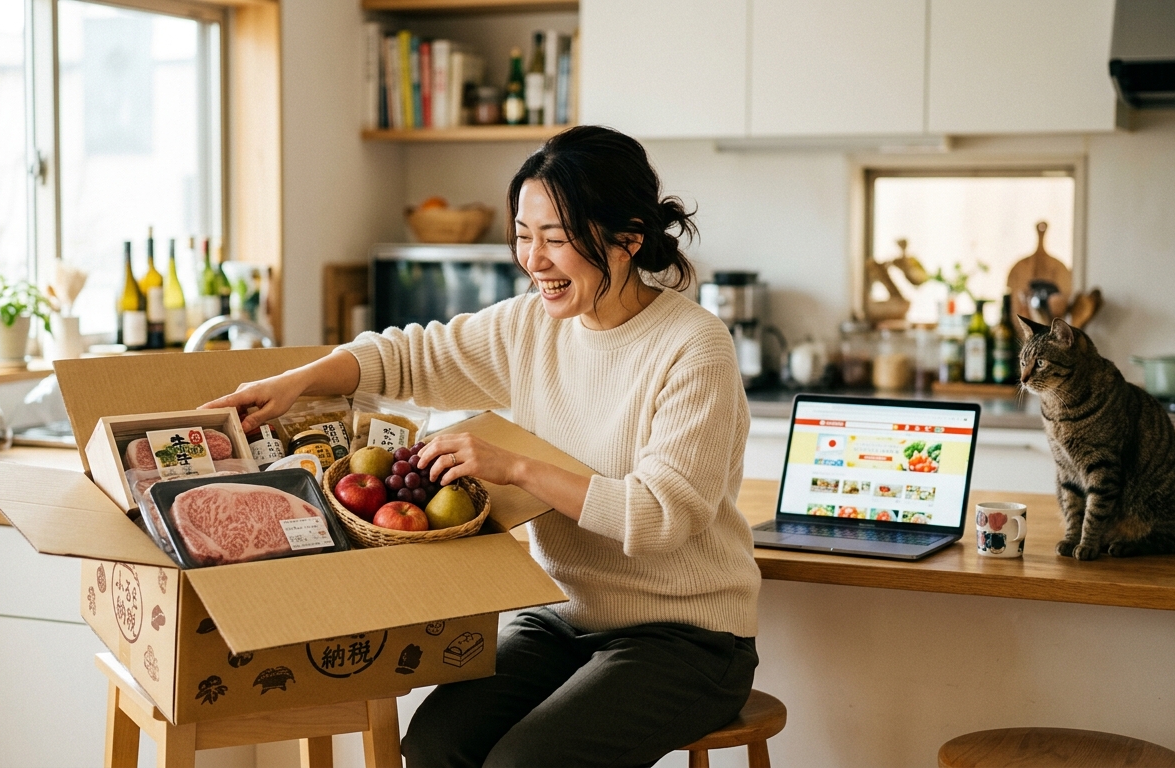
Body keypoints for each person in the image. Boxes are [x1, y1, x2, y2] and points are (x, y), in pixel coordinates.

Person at [203, 125, 760, 768]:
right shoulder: (531, 325)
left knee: (525, 764)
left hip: (687, 638)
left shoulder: (694, 347)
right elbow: (405, 357)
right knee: (435, 746)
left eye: (557, 238)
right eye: (525, 236)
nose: (535, 260)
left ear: (628, 239)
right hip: (565, 620)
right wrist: (296, 380)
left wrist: (516, 468)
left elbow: (663, 516)